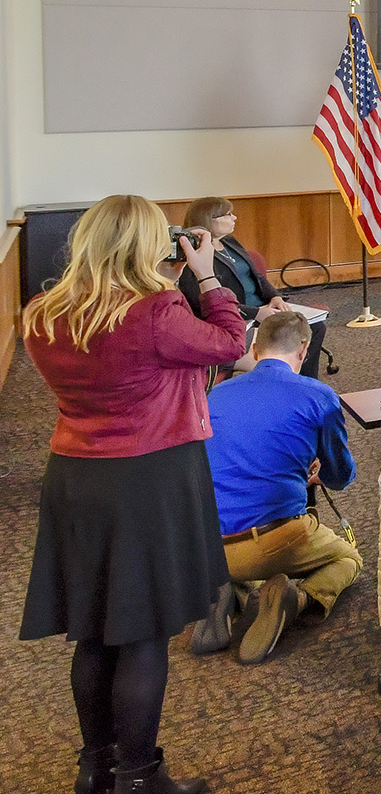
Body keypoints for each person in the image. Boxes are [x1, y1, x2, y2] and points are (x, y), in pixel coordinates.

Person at [19, 196, 247, 794]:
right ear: (149, 244)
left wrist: (166, 285)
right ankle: (142, 779)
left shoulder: (42, 313)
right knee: (143, 633)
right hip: (149, 479)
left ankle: (95, 770)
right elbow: (229, 343)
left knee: (94, 630)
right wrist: (202, 274)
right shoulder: (157, 312)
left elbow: (127, 343)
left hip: (75, 478)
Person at [195, 312, 360, 666]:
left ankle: (229, 595)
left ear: (254, 351)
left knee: (244, 567)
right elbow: (340, 476)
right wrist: (312, 473)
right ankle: (298, 600)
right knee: (349, 558)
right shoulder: (318, 395)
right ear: (304, 350)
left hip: (208, 544)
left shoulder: (215, 395)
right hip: (275, 538)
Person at [175, 198, 326, 381]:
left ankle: (307, 383)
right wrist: (256, 313)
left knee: (316, 326)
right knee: (286, 336)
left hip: (265, 308)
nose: (235, 218)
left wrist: (276, 297)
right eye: (229, 214)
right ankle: (286, 384)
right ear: (209, 220)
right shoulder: (194, 256)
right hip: (240, 317)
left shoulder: (230, 242)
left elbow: (257, 276)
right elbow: (202, 301)